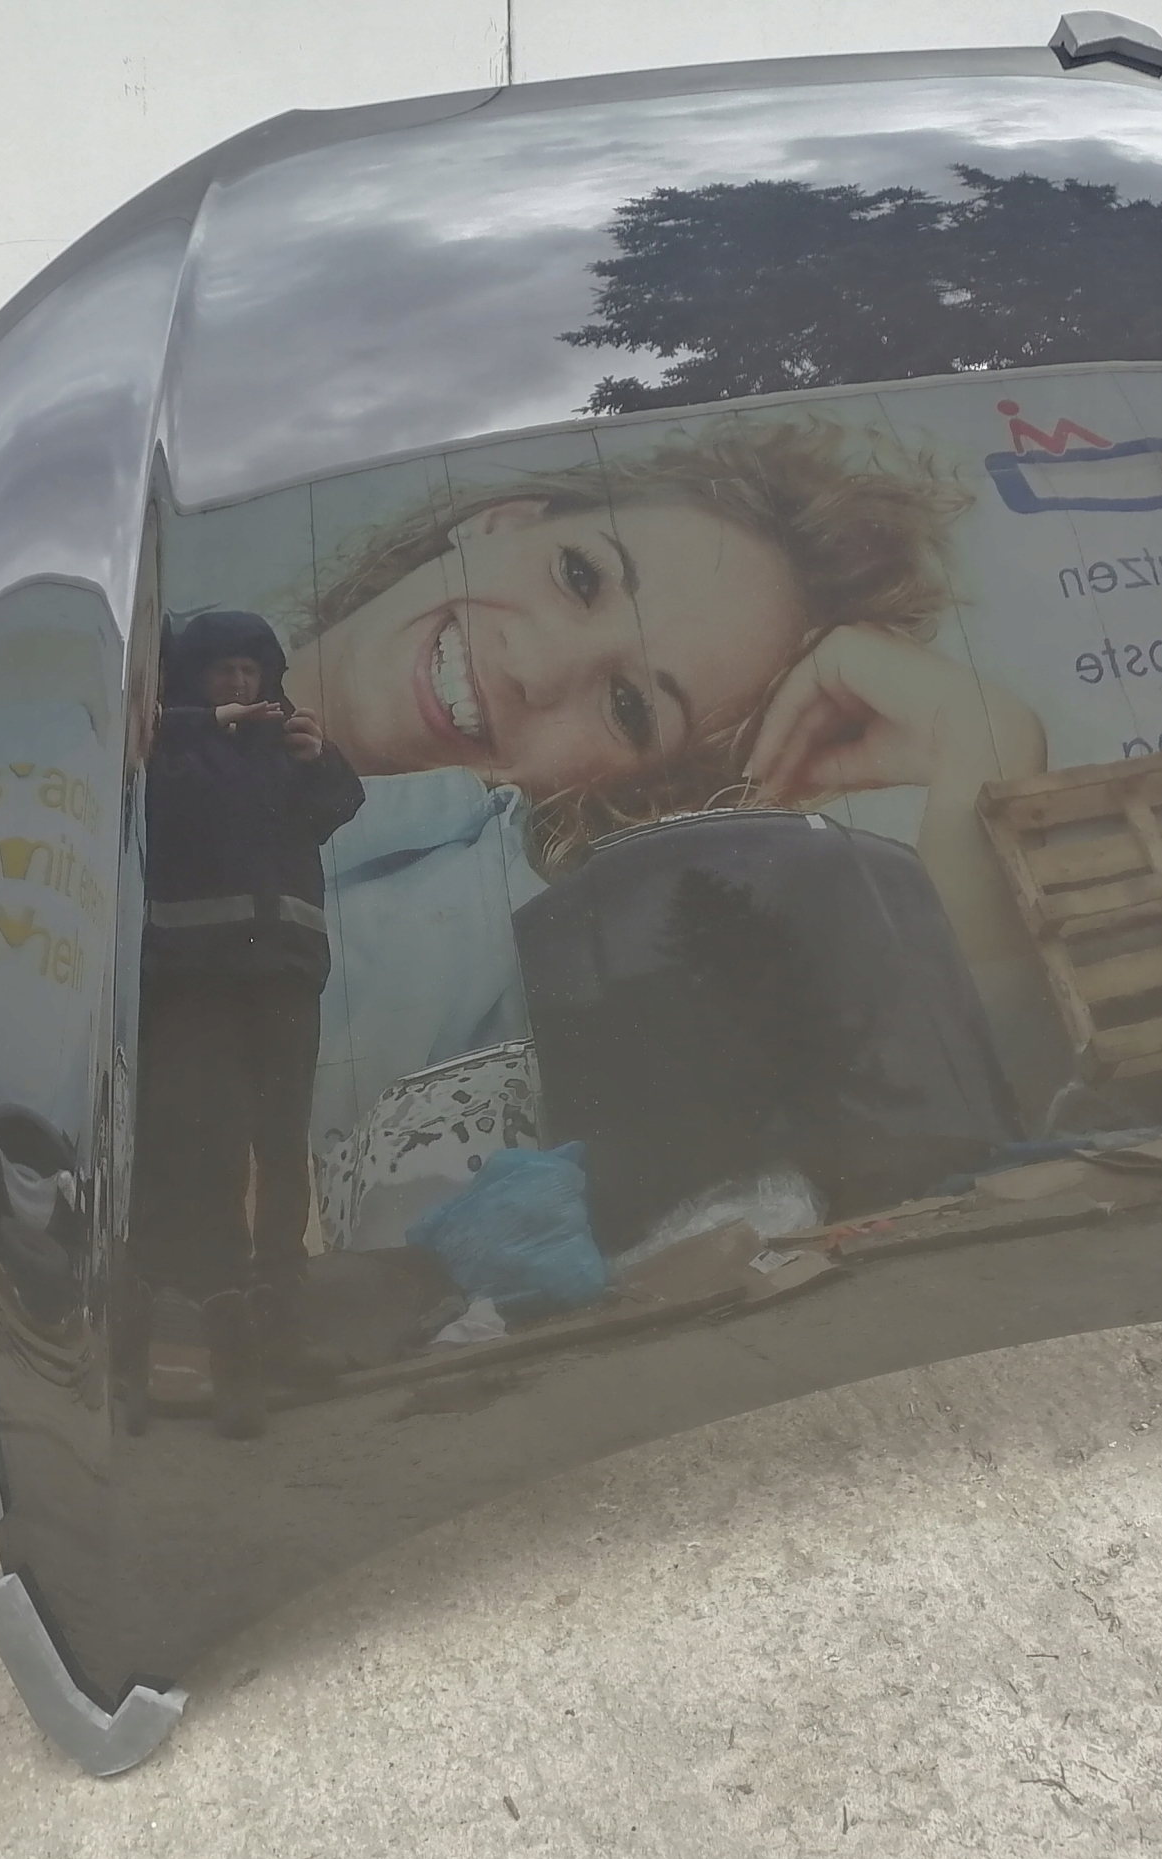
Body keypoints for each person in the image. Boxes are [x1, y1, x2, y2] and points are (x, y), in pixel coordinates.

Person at [272, 411, 1048, 1152]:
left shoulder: (503, 980)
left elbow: (954, 1123)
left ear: (630, 788)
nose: (534, 666)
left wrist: (978, 762)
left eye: (629, 707)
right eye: (580, 576)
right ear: (500, 521)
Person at [127, 611, 364, 1437]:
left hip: (286, 979)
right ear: (197, 680)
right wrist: (206, 726)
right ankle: (230, 1354)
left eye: (250, 671)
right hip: (199, 986)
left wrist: (320, 757)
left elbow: (341, 804)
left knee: (283, 1152)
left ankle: (284, 1329)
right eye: (223, 670)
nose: (240, 683)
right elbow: (148, 773)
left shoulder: (284, 746)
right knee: (216, 1159)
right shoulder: (171, 752)